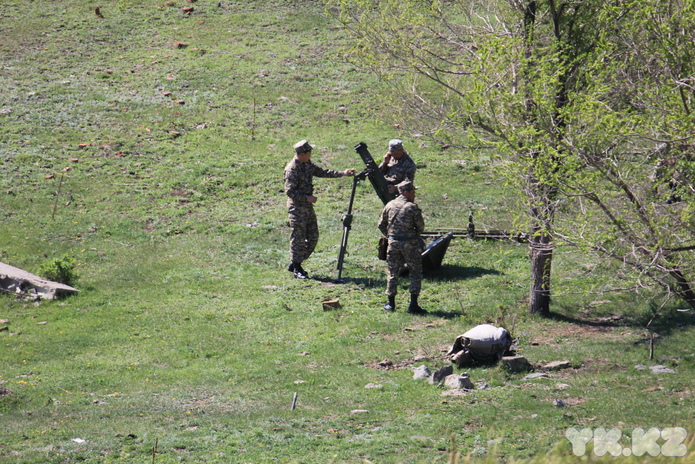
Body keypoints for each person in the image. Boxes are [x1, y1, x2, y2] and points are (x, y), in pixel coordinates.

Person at [284, 140, 355, 279]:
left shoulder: (307, 164)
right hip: (297, 208)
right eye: (309, 152)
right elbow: (290, 192)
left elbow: (322, 172)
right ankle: (297, 268)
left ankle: (295, 262)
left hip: (307, 207)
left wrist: (343, 173)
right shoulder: (292, 169)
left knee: (313, 236)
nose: (311, 154)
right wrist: (307, 198)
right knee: (298, 237)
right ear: (302, 154)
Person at [377, 180, 426, 314]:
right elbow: (421, 227)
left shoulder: (389, 205)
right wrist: (414, 235)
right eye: (413, 192)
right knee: (415, 272)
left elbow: (381, 224)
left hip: (393, 244)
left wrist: (391, 236)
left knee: (393, 273)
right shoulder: (412, 207)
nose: (414, 195)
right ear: (405, 192)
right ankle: (413, 305)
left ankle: (391, 304)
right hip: (410, 244)